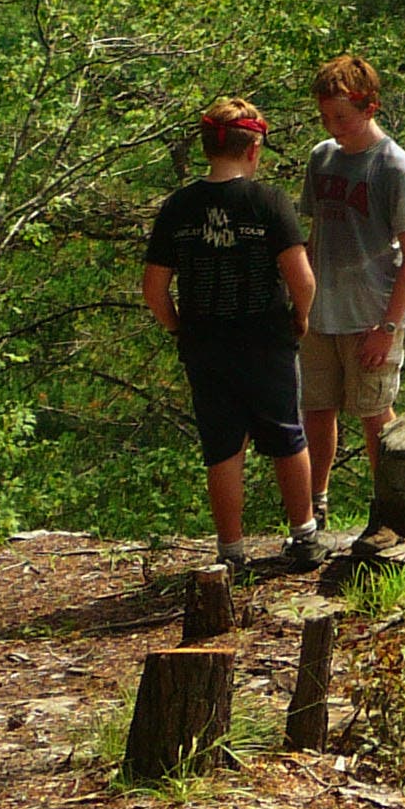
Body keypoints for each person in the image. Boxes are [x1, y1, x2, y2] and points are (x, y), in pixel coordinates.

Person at [142, 97, 322, 572]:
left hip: (205, 345)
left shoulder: (177, 207)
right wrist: (300, 316)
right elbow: (302, 278)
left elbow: (154, 287)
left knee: (222, 446)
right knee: (286, 433)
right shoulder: (269, 203)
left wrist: (179, 326)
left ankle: (231, 552)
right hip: (266, 340)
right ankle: (304, 536)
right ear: (254, 147)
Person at [297, 52, 405, 527]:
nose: (333, 126)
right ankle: (315, 502)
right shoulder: (322, 158)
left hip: (375, 314)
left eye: (342, 117)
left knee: (375, 414)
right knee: (316, 409)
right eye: (326, 117)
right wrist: (302, 300)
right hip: (322, 312)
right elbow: (315, 236)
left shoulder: (393, 166)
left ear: (370, 107)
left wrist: (388, 327)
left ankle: (391, 508)